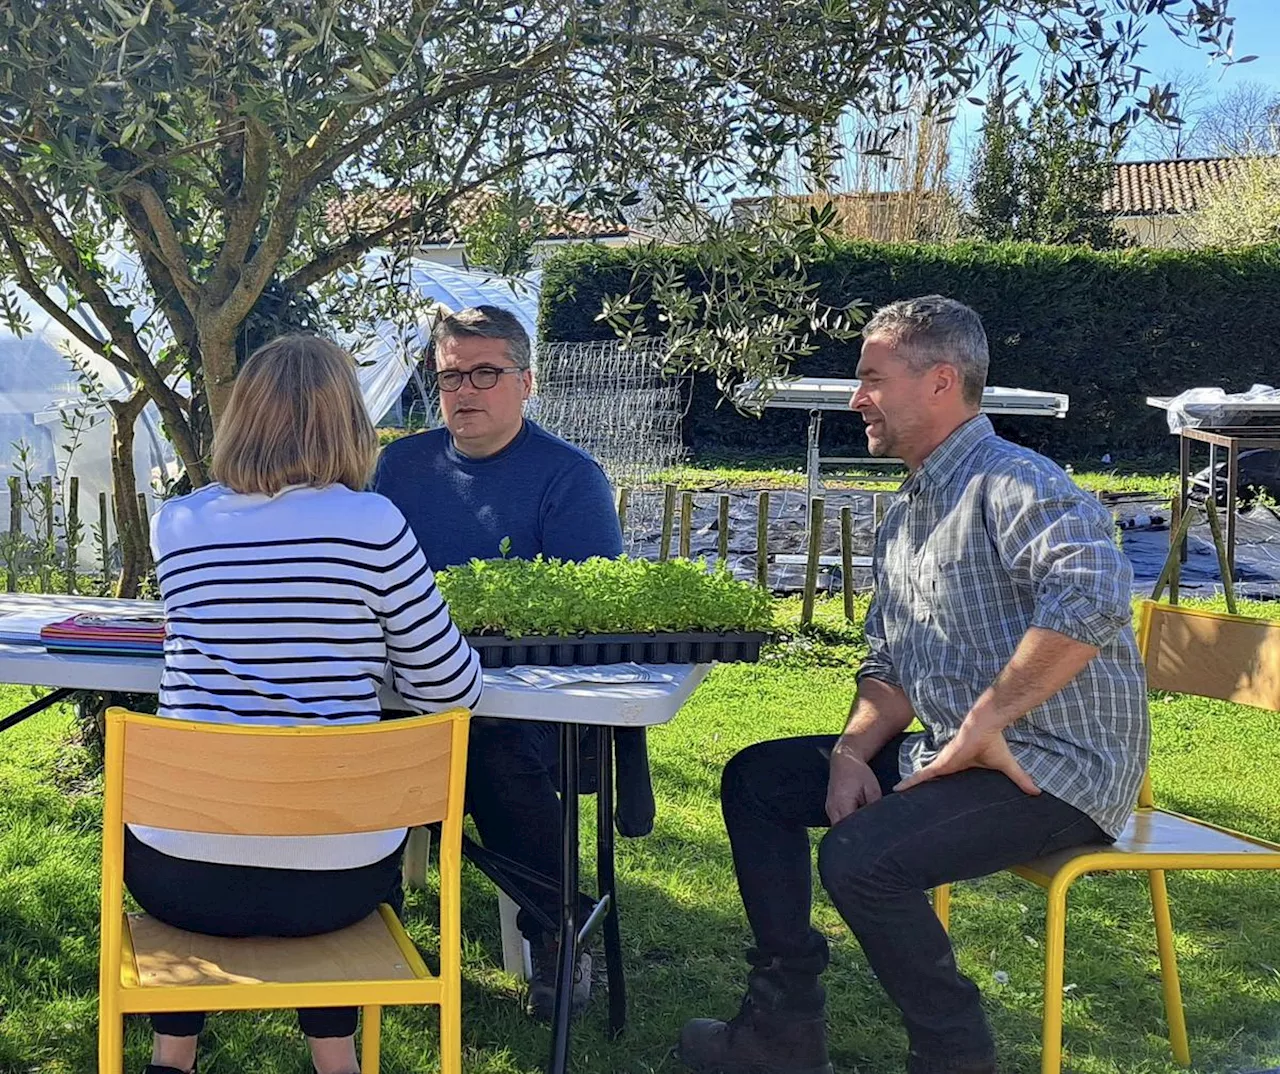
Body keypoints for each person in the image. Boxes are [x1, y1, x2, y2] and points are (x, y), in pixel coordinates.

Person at [678, 296, 1149, 1074]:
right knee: (758, 780)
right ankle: (781, 1030)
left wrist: (988, 719)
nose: (856, 397)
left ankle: (956, 1058)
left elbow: (1093, 598)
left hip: (1057, 769)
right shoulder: (912, 505)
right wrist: (852, 752)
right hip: (956, 754)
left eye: (871, 378)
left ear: (939, 381)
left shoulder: (1016, 482)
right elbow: (889, 662)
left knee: (864, 860)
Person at [130, 335, 482, 1074]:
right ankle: (335, 1060)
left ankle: (173, 1056)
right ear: (348, 423)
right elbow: (451, 690)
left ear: (239, 421)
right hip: (336, 883)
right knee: (321, 812)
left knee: (231, 806)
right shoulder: (374, 525)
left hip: (178, 878)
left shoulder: (179, 524)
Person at [373, 305, 623, 1019]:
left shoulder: (570, 479)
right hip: (404, 688)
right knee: (328, 720)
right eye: (451, 375)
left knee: (485, 736)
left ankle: (556, 931)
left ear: (527, 381)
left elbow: (593, 618)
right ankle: (352, 915)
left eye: (486, 373)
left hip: (536, 707)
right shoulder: (401, 465)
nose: (465, 390)